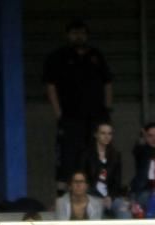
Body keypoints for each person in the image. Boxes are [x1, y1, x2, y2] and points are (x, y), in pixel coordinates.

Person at [45, 19, 113, 192]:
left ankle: (95, 192)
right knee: (68, 156)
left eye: (82, 33)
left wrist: (107, 108)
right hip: (70, 117)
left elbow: (107, 82)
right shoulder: (58, 57)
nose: (78, 36)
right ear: (67, 35)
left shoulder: (96, 55)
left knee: (95, 154)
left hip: (96, 116)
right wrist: (58, 113)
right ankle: (63, 194)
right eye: (74, 33)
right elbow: (50, 85)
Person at [79, 122, 130, 219]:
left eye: (109, 133)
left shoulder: (116, 155)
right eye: (103, 133)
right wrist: (98, 197)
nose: (106, 136)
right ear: (96, 134)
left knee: (124, 210)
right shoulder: (86, 154)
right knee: (95, 209)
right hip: (91, 195)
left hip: (110, 196)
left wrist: (110, 196)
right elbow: (82, 179)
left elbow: (117, 181)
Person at [130, 122, 155, 200]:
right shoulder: (142, 150)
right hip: (143, 191)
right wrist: (142, 138)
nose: (154, 139)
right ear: (145, 137)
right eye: (150, 136)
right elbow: (137, 150)